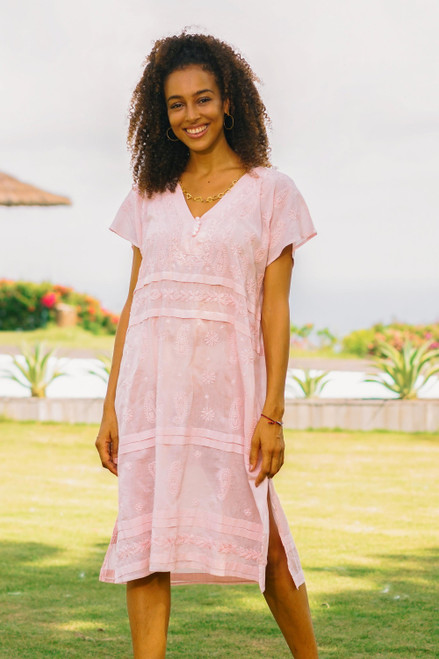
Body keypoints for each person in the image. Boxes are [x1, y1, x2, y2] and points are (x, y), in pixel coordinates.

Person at [95, 31, 318, 658]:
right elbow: (135, 306)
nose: (191, 114)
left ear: (229, 103)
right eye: (175, 104)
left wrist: (272, 413)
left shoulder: (273, 192)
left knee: (267, 538)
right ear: (159, 115)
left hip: (231, 398)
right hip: (152, 395)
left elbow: (276, 309)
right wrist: (111, 406)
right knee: (145, 540)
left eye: (203, 99)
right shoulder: (148, 195)